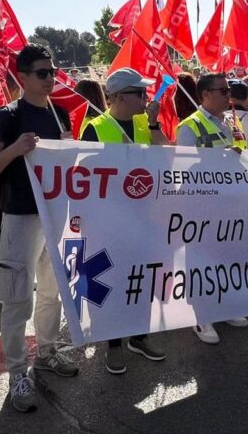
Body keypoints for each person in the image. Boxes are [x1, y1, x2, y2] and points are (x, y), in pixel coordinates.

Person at [0, 44, 78, 413]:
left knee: (53, 293)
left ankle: (48, 351)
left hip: (57, 215)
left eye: (53, 71)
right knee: (19, 299)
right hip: (20, 216)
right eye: (42, 73)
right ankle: (18, 372)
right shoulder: (7, 116)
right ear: (22, 77)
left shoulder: (60, 113)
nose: (50, 78)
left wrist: (73, 149)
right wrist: (14, 150)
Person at [81, 67, 169, 374]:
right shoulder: (95, 127)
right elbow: (85, 176)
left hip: (144, 216)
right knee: (111, 280)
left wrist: (156, 123)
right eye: (139, 93)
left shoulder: (146, 123)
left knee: (142, 278)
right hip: (110, 220)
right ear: (118, 97)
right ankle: (113, 344)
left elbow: (167, 157)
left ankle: (139, 336)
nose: (146, 98)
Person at [175, 73, 248, 344]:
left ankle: (224, 306)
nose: (227, 94)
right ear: (205, 94)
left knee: (225, 256)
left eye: (228, 89)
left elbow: (241, 153)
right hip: (202, 206)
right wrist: (219, 159)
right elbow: (183, 168)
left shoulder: (230, 121)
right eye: (222, 90)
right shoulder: (189, 126)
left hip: (228, 203)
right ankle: (200, 315)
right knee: (200, 260)